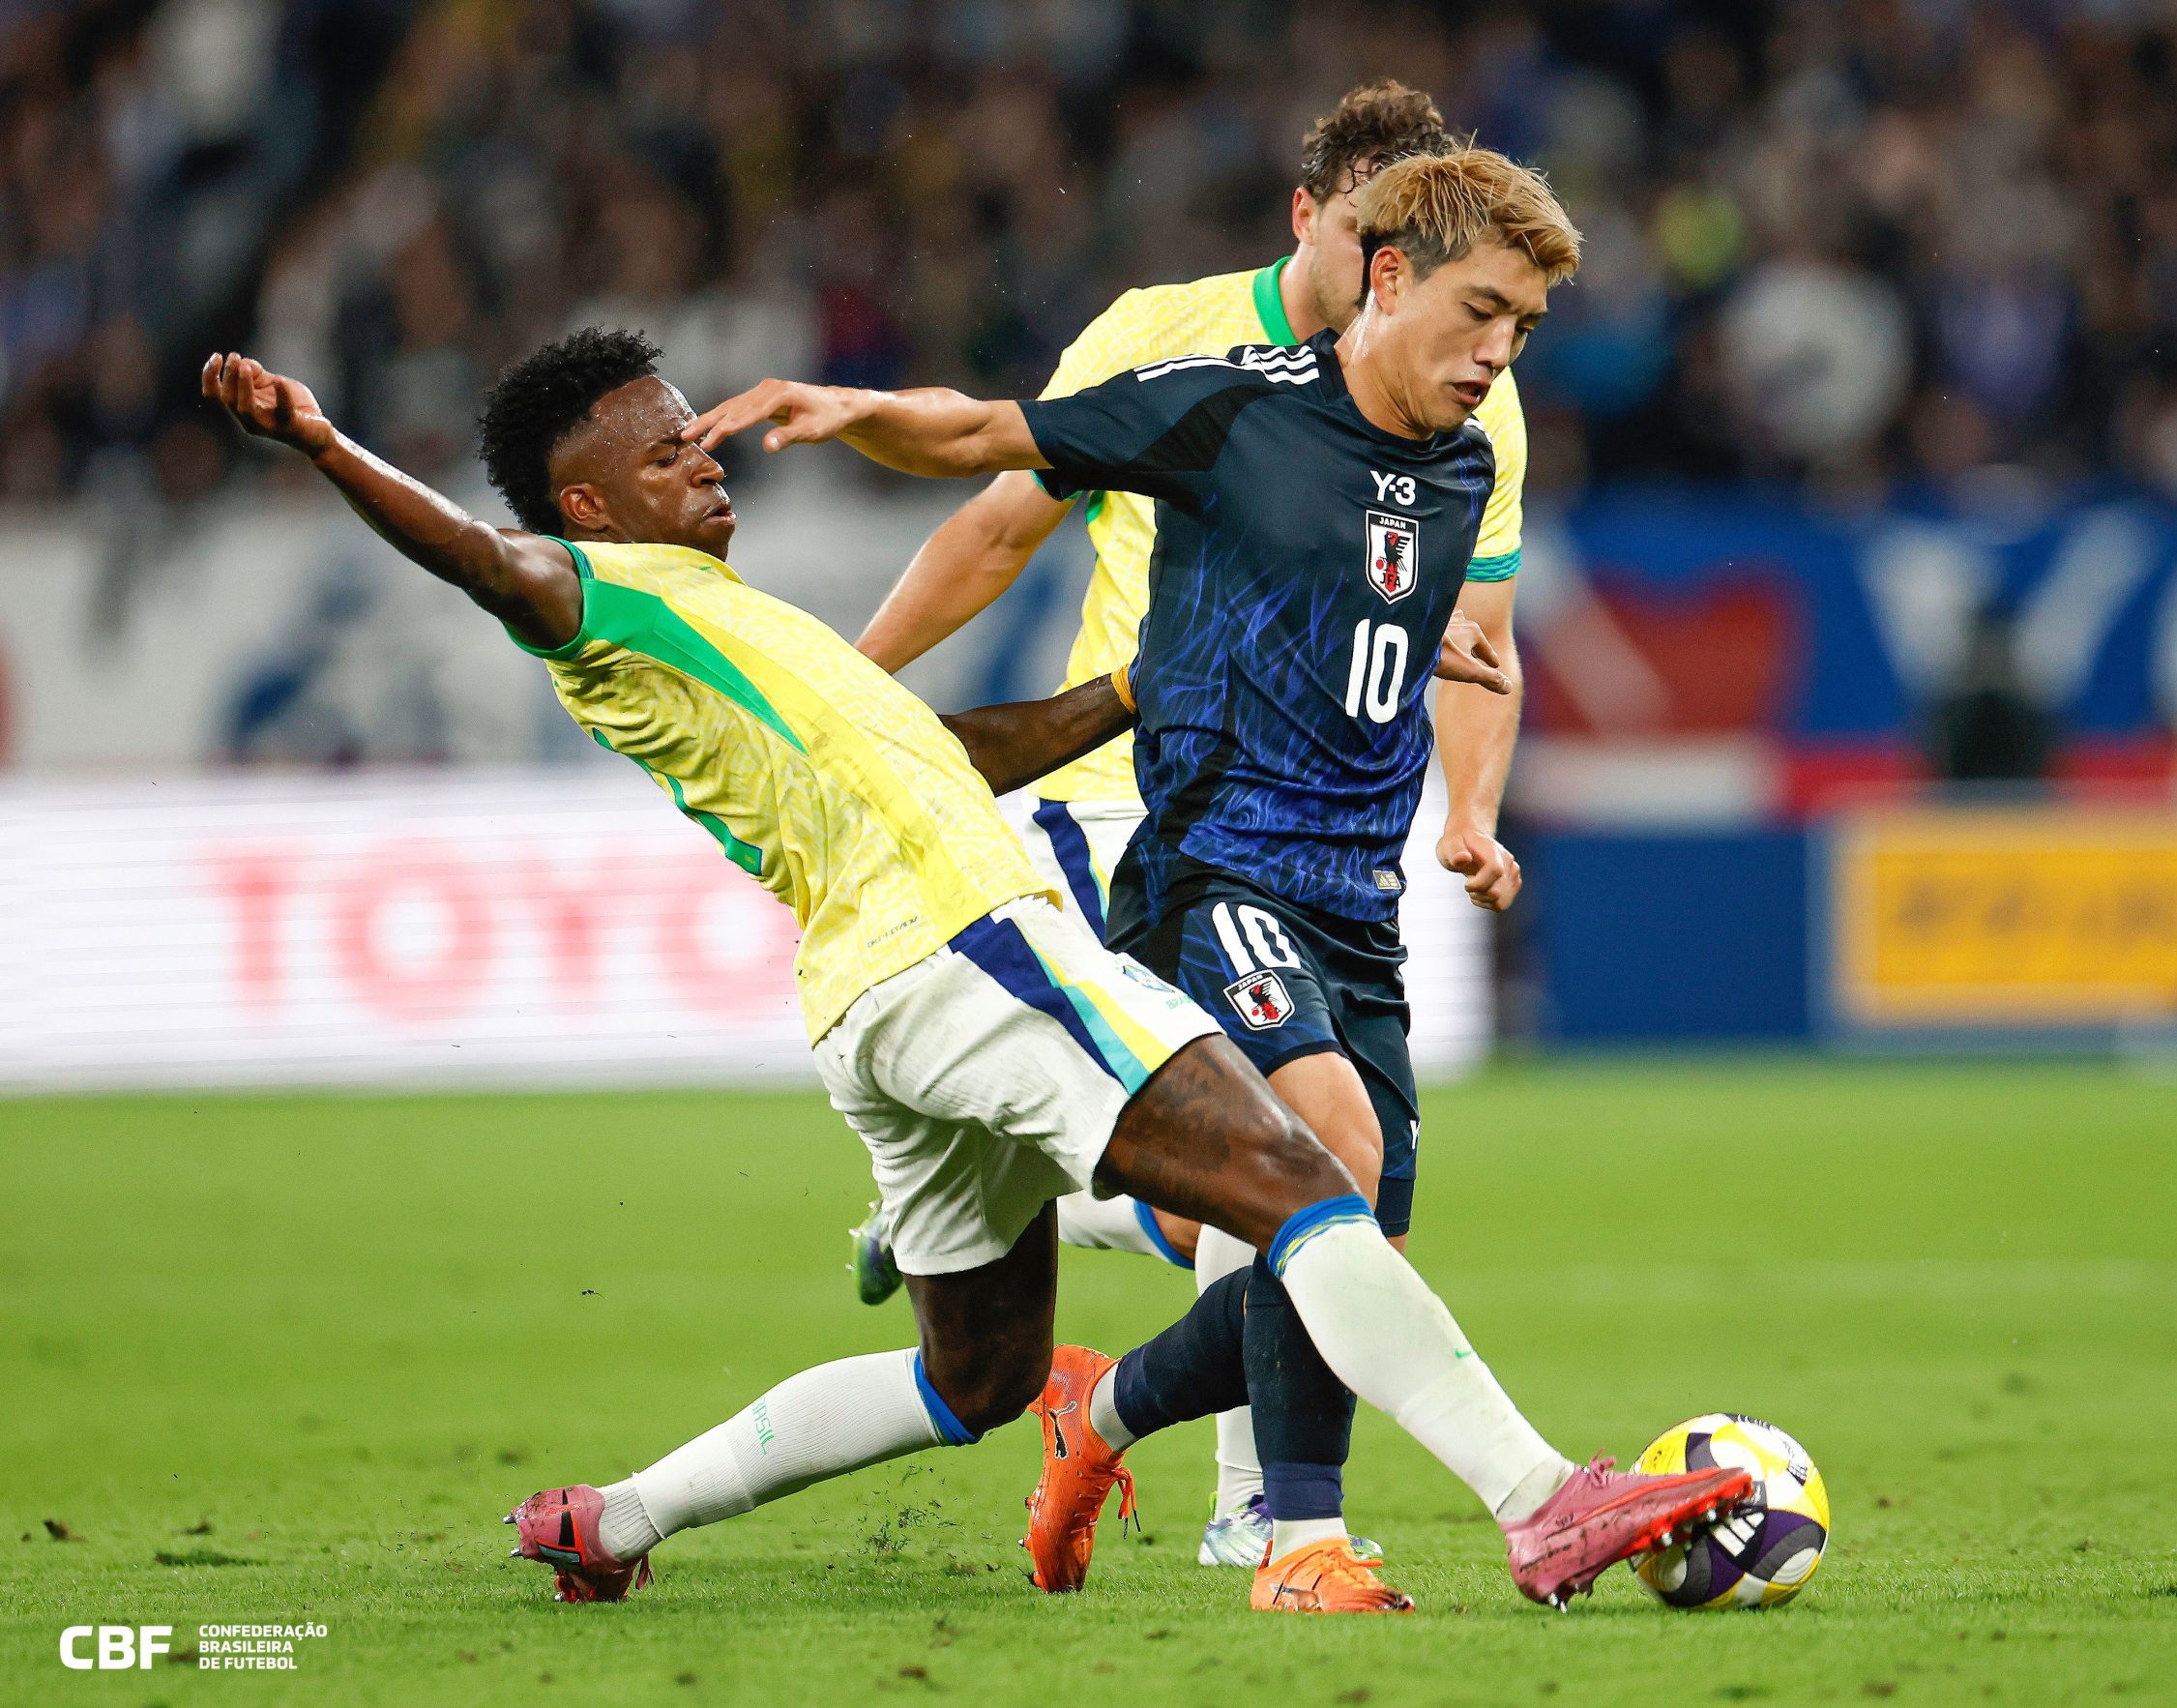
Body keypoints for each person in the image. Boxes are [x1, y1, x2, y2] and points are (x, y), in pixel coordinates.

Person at [198, 331, 1752, 1614]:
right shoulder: (592, 592)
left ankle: (611, 1519)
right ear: (588, 504)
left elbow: (948, 753)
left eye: (699, 433)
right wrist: (328, 444)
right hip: (967, 941)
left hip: (872, 1002)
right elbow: (487, 562)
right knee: (1303, 1178)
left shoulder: (732, 625)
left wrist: (1141, 684)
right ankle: (1539, 1501)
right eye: (669, 451)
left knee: (979, 1375)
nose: (708, 456)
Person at [688, 147, 1606, 1612]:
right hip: (1201, 859)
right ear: (1385, 273)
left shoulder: (1465, 458)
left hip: (1355, 902)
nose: (1500, 350)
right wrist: (856, 410)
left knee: (1337, 1255)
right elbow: (994, 442)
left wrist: (1468, 799)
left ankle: (1098, 1414)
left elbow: (1398, 599)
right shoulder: (1223, 394)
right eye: (1482, 310)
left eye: (1525, 326)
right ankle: (1305, 1540)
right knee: (1319, 1159)